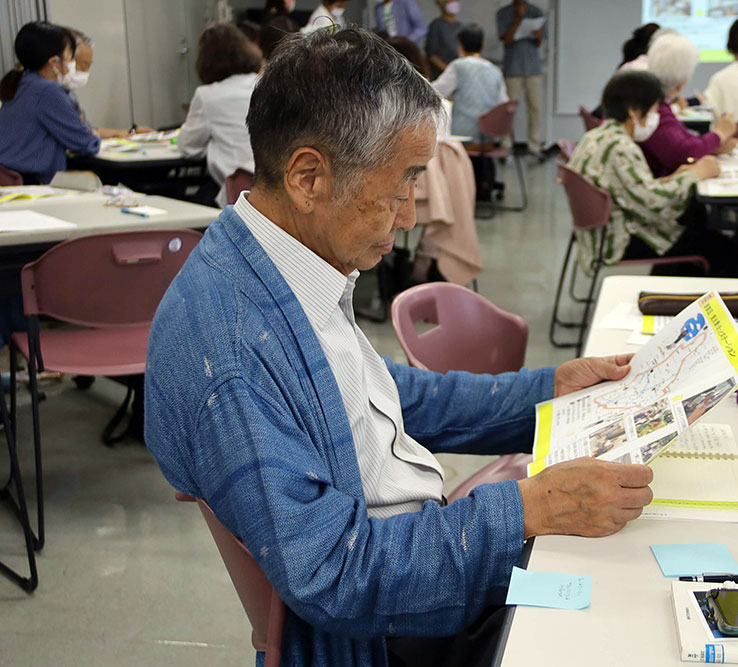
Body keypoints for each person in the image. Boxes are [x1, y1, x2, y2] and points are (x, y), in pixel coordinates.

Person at [145, 27, 653, 667]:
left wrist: (546, 392)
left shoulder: (277, 263)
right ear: (309, 177)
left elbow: (379, 393)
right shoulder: (237, 352)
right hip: (397, 623)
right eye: (405, 181)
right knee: (634, 614)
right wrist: (527, 509)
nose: (411, 214)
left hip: (420, 557)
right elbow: (336, 576)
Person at [567, 70, 723, 275]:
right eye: (654, 111)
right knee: (719, 249)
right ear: (634, 111)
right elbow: (653, 204)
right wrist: (696, 174)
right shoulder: (620, 147)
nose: (656, 118)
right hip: (619, 238)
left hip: (601, 232)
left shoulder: (596, 136)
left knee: (695, 224)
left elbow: (636, 188)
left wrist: (676, 177)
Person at [0, 21, 99, 184]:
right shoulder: (48, 91)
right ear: (54, 62)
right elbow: (85, 143)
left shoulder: (23, 83)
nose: (73, 63)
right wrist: (91, 135)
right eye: (70, 57)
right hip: (27, 183)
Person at [177, 23, 261, 207]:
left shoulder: (208, 96)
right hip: (274, 187)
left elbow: (187, 147)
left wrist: (212, 145)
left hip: (236, 193)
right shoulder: (265, 84)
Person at [641, 32, 737, 178]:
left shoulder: (654, 102)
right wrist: (719, 134)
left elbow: (684, 142)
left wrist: (712, 146)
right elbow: (684, 152)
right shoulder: (657, 109)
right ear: (682, 83)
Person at [432, 24, 508, 199]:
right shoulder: (495, 70)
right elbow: (503, 104)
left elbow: (435, 91)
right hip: (489, 138)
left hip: (465, 136)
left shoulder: (458, 66)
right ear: (482, 45)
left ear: (460, 45)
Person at [63, 29, 153, 139]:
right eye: (83, 65)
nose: (85, 72)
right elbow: (79, 137)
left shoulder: (68, 93)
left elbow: (88, 130)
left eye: (88, 66)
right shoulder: (50, 94)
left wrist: (130, 133)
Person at [497, 0, 547, 155]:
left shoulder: (536, 12)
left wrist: (537, 34)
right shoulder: (503, 13)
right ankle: (507, 144)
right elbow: (507, 39)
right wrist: (519, 18)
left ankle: (534, 145)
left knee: (535, 108)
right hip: (513, 68)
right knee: (509, 110)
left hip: (533, 69)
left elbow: (539, 42)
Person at [425, 0, 461, 79]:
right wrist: (449, 71)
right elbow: (432, 55)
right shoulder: (436, 26)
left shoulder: (459, 26)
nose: (453, 2)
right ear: (440, 4)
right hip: (441, 75)